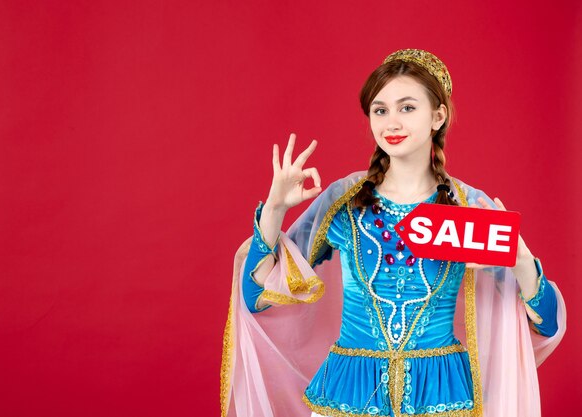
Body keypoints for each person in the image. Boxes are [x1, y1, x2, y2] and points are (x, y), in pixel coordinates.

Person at [220, 49, 566, 417]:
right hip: (348, 395)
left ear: (438, 116)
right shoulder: (343, 201)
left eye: (407, 107)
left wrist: (522, 262)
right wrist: (274, 210)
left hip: (442, 397)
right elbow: (256, 295)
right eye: (380, 110)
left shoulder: (468, 207)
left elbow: (546, 325)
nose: (392, 122)